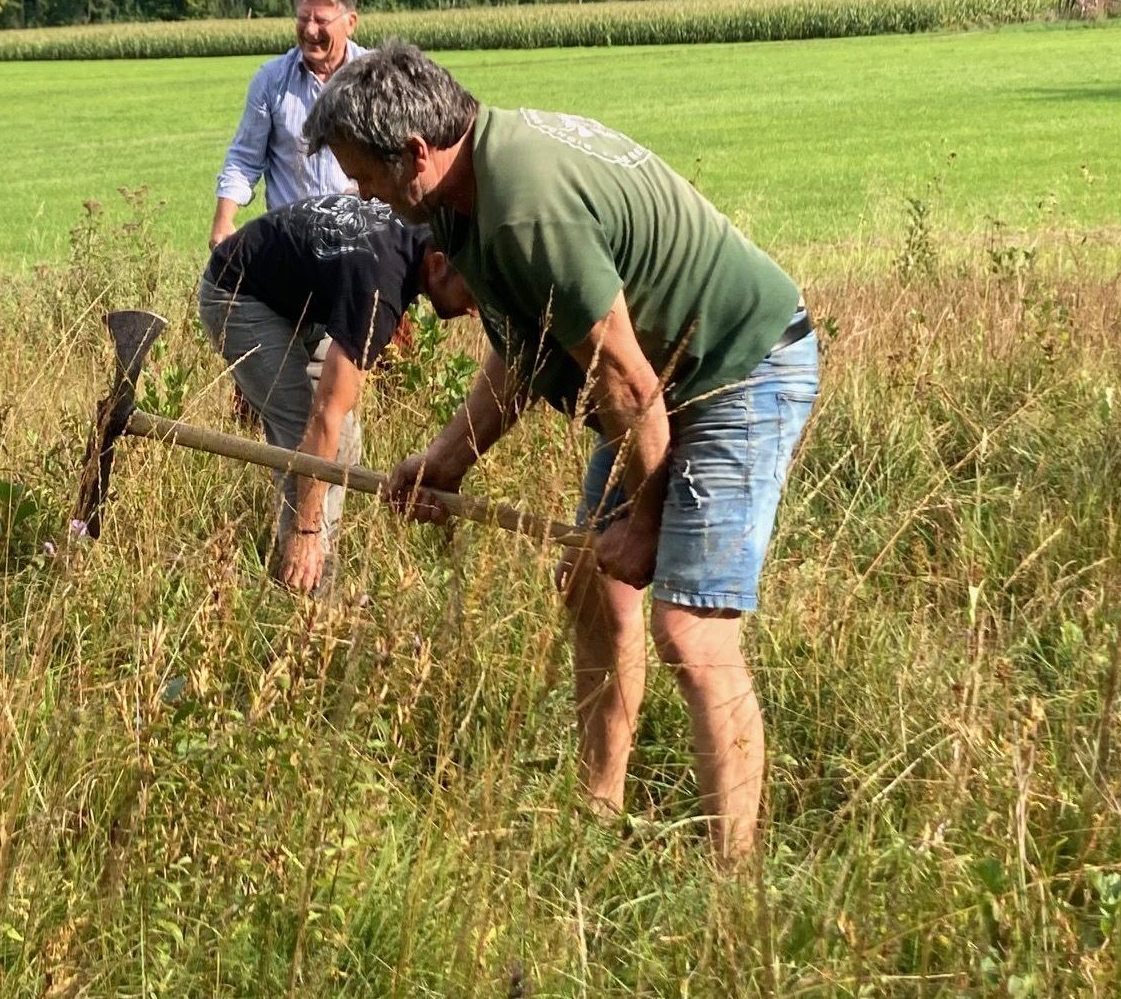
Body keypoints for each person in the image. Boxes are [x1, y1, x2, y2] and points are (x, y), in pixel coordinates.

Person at [302, 42, 819, 863]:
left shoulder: (523, 207)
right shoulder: (456, 200)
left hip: (736, 369)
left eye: (363, 173)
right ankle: (596, 818)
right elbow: (522, 350)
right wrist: (445, 462)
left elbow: (628, 387)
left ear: (414, 153)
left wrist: (646, 522)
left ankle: (734, 887)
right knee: (588, 582)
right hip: (655, 385)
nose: (359, 191)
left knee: (690, 633)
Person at [198, 193, 475, 593]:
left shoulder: (420, 235)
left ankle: (321, 566)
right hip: (239, 294)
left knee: (344, 441)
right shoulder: (378, 287)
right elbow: (322, 418)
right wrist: (306, 529)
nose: (474, 309)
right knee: (303, 439)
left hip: (296, 301)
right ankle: (304, 586)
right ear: (437, 266)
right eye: (472, 294)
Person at [208, 0, 365, 251]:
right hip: (291, 245)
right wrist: (223, 219)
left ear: (350, 23)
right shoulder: (271, 80)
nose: (309, 30)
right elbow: (244, 158)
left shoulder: (375, 77)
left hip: (361, 242)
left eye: (321, 20)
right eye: (303, 18)